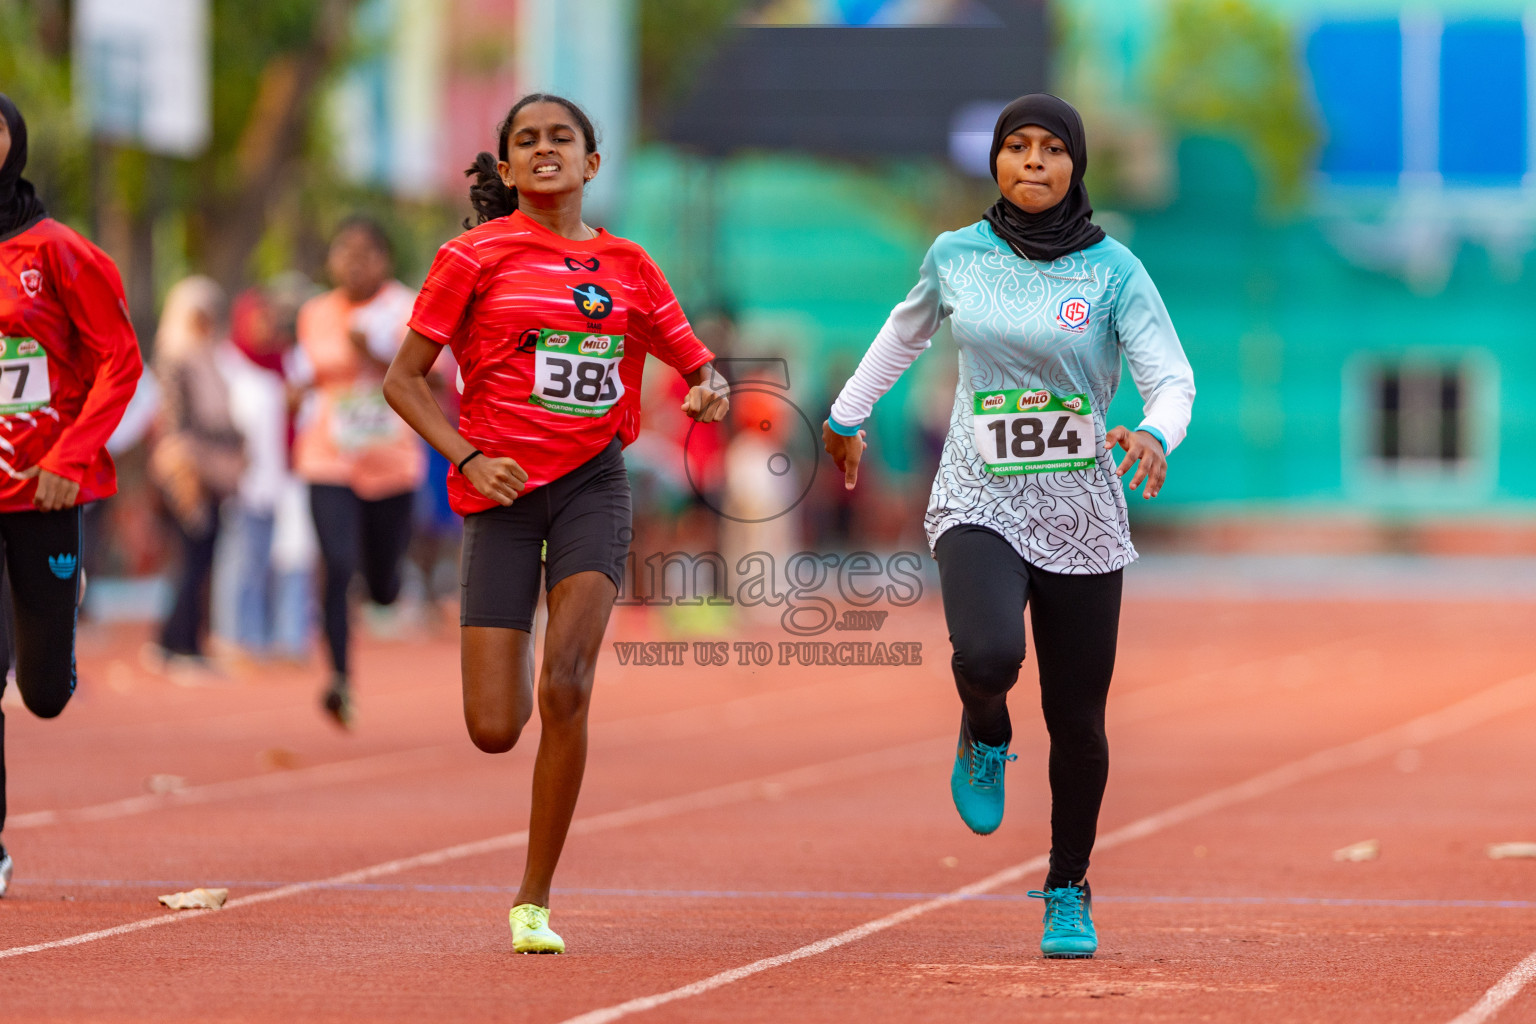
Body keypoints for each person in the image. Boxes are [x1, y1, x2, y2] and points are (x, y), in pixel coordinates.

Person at [822, 95, 1195, 959]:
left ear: (1076, 165)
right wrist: (846, 416)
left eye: (1051, 149)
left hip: (1082, 513)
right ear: (994, 162)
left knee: (1079, 716)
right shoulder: (956, 255)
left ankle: (1068, 886)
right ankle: (984, 728)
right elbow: (902, 333)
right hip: (978, 493)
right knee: (987, 656)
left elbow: (1170, 375)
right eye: (1017, 147)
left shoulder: (1115, 271)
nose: (1034, 162)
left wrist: (1153, 431)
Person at [383, 93, 729, 953]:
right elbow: (402, 380)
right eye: (526, 141)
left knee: (567, 688)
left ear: (592, 162)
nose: (545, 150)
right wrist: (466, 456)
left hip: (592, 485)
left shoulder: (631, 266)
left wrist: (709, 386)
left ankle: (533, 900)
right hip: (499, 493)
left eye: (561, 139)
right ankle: (517, 634)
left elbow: (700, 363)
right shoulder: (470, 256)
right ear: (505, 168)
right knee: (496, 727)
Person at [0, 94, 143, 896]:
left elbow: (120, 361)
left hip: (43, 488)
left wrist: (72, 455)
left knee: (44, 693)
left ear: (14, 142)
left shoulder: (58, 252)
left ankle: (59, 622)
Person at [290, 218, 425, 726]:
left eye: (365, 252)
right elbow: (305, 373)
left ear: (384, 260)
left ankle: (388, 585)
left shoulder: (407, 308)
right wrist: (296, 392)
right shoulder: (315, 313)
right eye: (343, 250)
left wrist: (377, 355)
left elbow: (438, 378)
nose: (353, 261)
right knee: (337, 562)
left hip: (391, 463)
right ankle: (340, 681)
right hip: (328, 457)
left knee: (382, 585)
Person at [149, 276, 244, 671]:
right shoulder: (176, 357)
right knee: (191, 556)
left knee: (202, 557)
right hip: (187, 469)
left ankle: (186, 639)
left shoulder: (209, 356)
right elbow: (178, 423)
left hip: (214, 470)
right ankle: (178, 643)